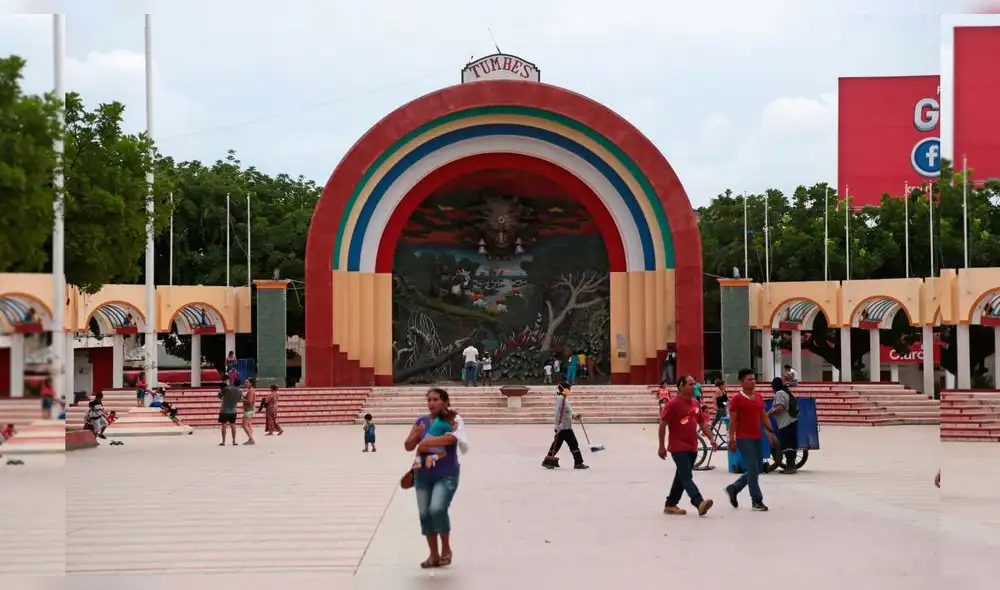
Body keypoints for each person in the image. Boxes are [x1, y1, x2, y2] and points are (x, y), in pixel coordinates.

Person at [404, 388, 469, 569]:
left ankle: (446, 549)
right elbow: (408, 446)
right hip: (422, 476)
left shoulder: (453, 420)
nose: (431, 403)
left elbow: (451, 440)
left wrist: (425, 443)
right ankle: (433, 555)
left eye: (435, 400)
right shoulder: (421, 421)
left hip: (446, 475)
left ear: (446, 402)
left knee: (437, 508)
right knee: (425, 514)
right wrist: (417, 435)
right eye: (429, 400)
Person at [658, 375, 716, 516]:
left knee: (681, 476)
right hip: (678, 447)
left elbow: (702, 422)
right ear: (681, 386)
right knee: (686, 477)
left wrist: (711, 438)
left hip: (692, 446)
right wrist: (661, 446)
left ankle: (670, 504)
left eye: (694, 384)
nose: (693, 387)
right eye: (690, 384)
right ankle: (698, 501)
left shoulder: (695, 403)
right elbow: (663, 424)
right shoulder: (672, 404)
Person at [725, 368, 778, 512]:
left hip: (757, 437)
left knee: (758, 468)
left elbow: (763, 416)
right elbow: (733, 421)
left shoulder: (759, 397)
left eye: (754, 379)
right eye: (749, 379)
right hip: (743, 438)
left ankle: (734, 488)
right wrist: (731, 438)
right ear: (741, 382)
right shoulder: (737, 399)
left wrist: (770, 431)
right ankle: (757, 501)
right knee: (753, 468)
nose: (753, 381)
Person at [542, 382, 588, 469]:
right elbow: (557, 413)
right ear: (563, 389)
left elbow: (566, 412)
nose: (570, 390)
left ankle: (547, 461)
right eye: (568, 388)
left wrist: (574, 416)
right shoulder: (560, 399)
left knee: (558, 444)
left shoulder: (564, 398)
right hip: (563, 427)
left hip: (566, 426)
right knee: (573, 444)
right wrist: (557, 425)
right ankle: (578, 463)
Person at [769, 378, 799, 473]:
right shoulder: (785, 392)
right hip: (790, 421)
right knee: (790, 443)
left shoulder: (780, 393)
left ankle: (790, 466)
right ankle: (791, 465)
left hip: (786, 423)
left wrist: (768, 414)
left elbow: (780, 407)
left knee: (786, 444)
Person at [217, 380, 242, 446]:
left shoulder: (226, 389)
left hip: (224, 410)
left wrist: (224, 399)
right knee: (233, 425)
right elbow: (239, 400)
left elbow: (219, 395)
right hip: (233, 410)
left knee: (224, 426)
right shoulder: (240, 391)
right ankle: (234, 441)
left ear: (233, 383)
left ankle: (223, 441)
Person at [241, 378, 257, 445]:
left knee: (244, 425)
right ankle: (250, 439)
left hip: (248, 410)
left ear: (251, 383)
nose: (245, 383)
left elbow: (250, 401)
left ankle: (251, 439)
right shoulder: (250, 390)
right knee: (249, 425)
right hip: (250, 409)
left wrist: (242, 399)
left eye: (247, 382)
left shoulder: (251, 390)